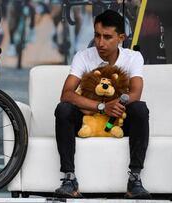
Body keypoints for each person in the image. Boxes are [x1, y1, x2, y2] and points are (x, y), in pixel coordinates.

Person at [54, 10, 151, 199]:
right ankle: (69, 179)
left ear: (121, 38)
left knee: (140, 109)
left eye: (107, 37)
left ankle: (135, 180)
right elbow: (66, 94)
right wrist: (101, 106)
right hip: (88, 119)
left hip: (118, 120)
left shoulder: (133, 58)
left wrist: (117, 104)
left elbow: (136, 93)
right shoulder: (83, 56)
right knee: (63, 109)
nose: (100, 43)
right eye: (97, 35)